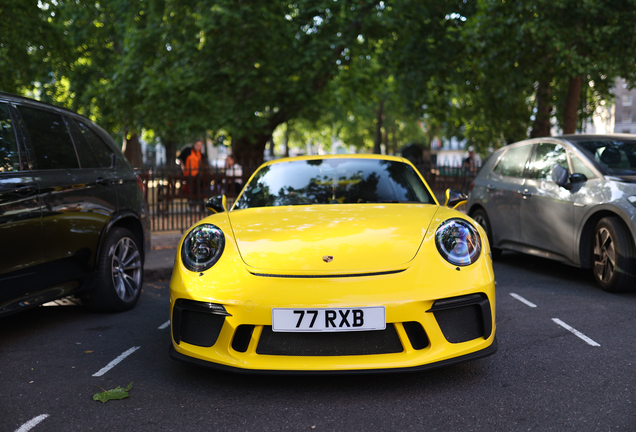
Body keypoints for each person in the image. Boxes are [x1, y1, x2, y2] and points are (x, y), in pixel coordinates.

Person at [178, 140, 208, 207]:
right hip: (188, 175)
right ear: (194, 144)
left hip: (197, 176)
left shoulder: (201, 155)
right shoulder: (187, 151)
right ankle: (194, 202)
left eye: (200, 146)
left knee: (198, 187)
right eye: (197, 145)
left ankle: (197, 202)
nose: (198, 147)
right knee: (191, 188)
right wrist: (182, 166)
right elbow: (180, 158)